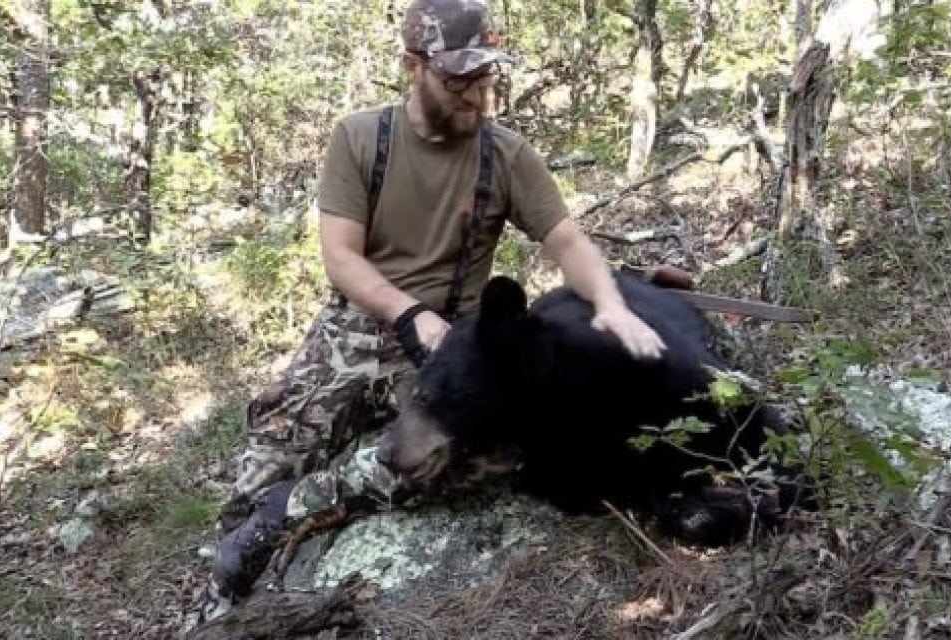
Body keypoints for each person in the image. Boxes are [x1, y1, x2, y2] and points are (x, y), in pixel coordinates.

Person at [199, 0, 667, 619]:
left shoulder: (505, 154)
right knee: (277, 437)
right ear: (414, 66)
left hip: (452, 340)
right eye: (459, 80)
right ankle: (226, 578)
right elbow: (341, 257)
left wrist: (609, 302)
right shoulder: (361, 137)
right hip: (359, 322)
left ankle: (292, 507)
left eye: (486, 78)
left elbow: (567, 241)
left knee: (452, 458)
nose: (477, 96)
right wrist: (405, 311)